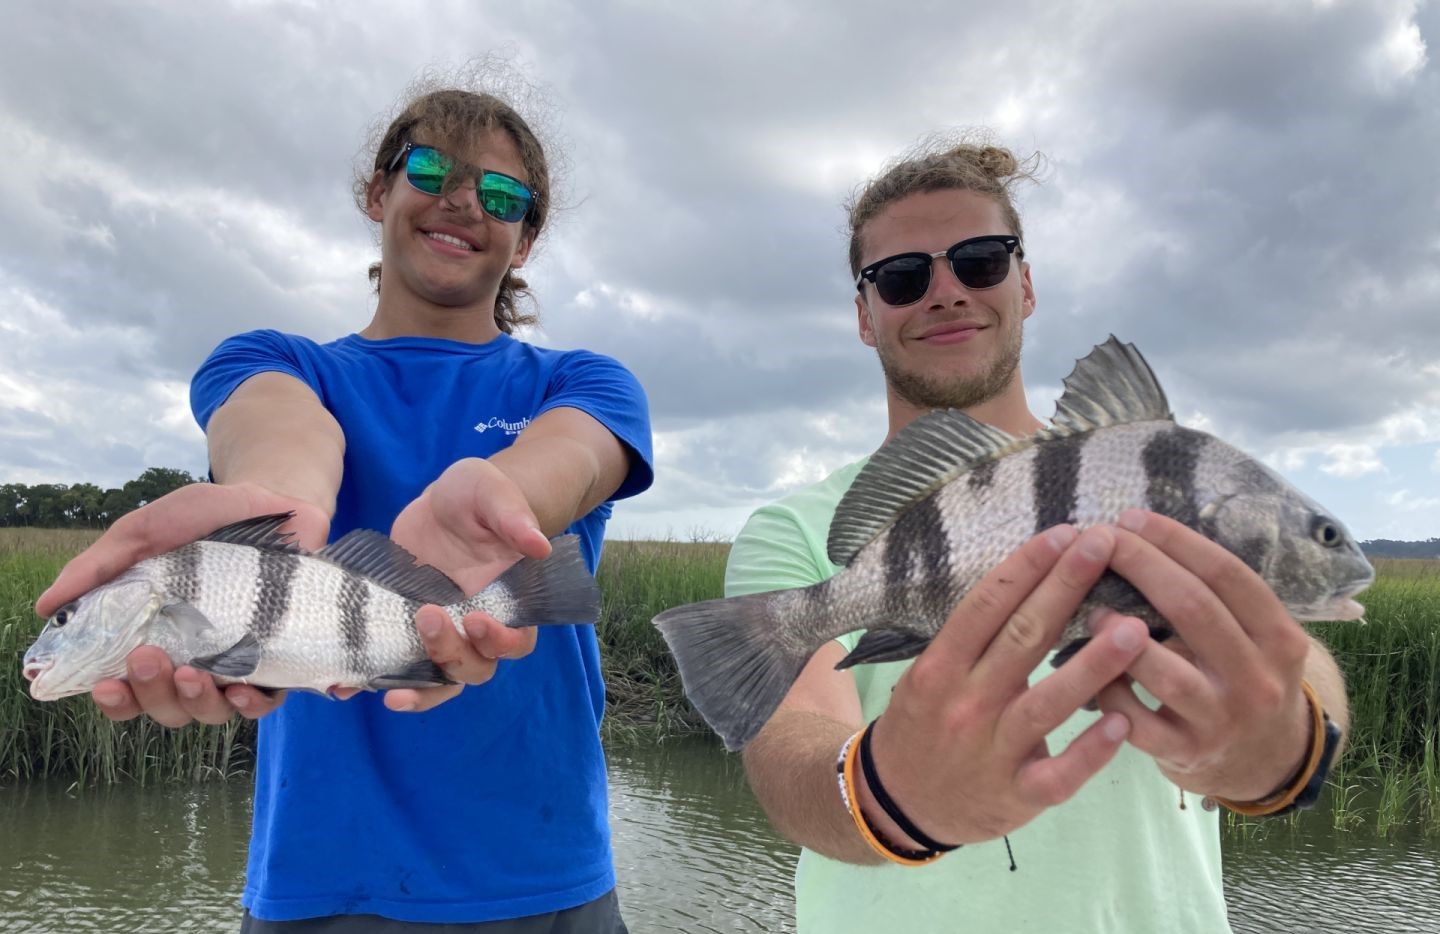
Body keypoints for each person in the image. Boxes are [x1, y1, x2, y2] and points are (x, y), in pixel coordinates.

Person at [35, 71, 652, 932]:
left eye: (503, 194)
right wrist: (282, 504)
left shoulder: (583, 382)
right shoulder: (272, 360)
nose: (465, 203)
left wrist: (506, 492)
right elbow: (277, 427)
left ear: (528, 237)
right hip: (320, 883)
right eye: (432, 173)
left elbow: (574, 455)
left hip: (548, 880)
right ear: (379, 190)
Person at [726, 136, 1348, 932]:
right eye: (904, 277)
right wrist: (888, 794)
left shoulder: (1158, 483)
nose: (946, 292)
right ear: (863, 312)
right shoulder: (792, 530)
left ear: (1025, 282)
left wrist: (1290, 741)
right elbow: (790, 755)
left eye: (981, 260)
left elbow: (1290, 654)